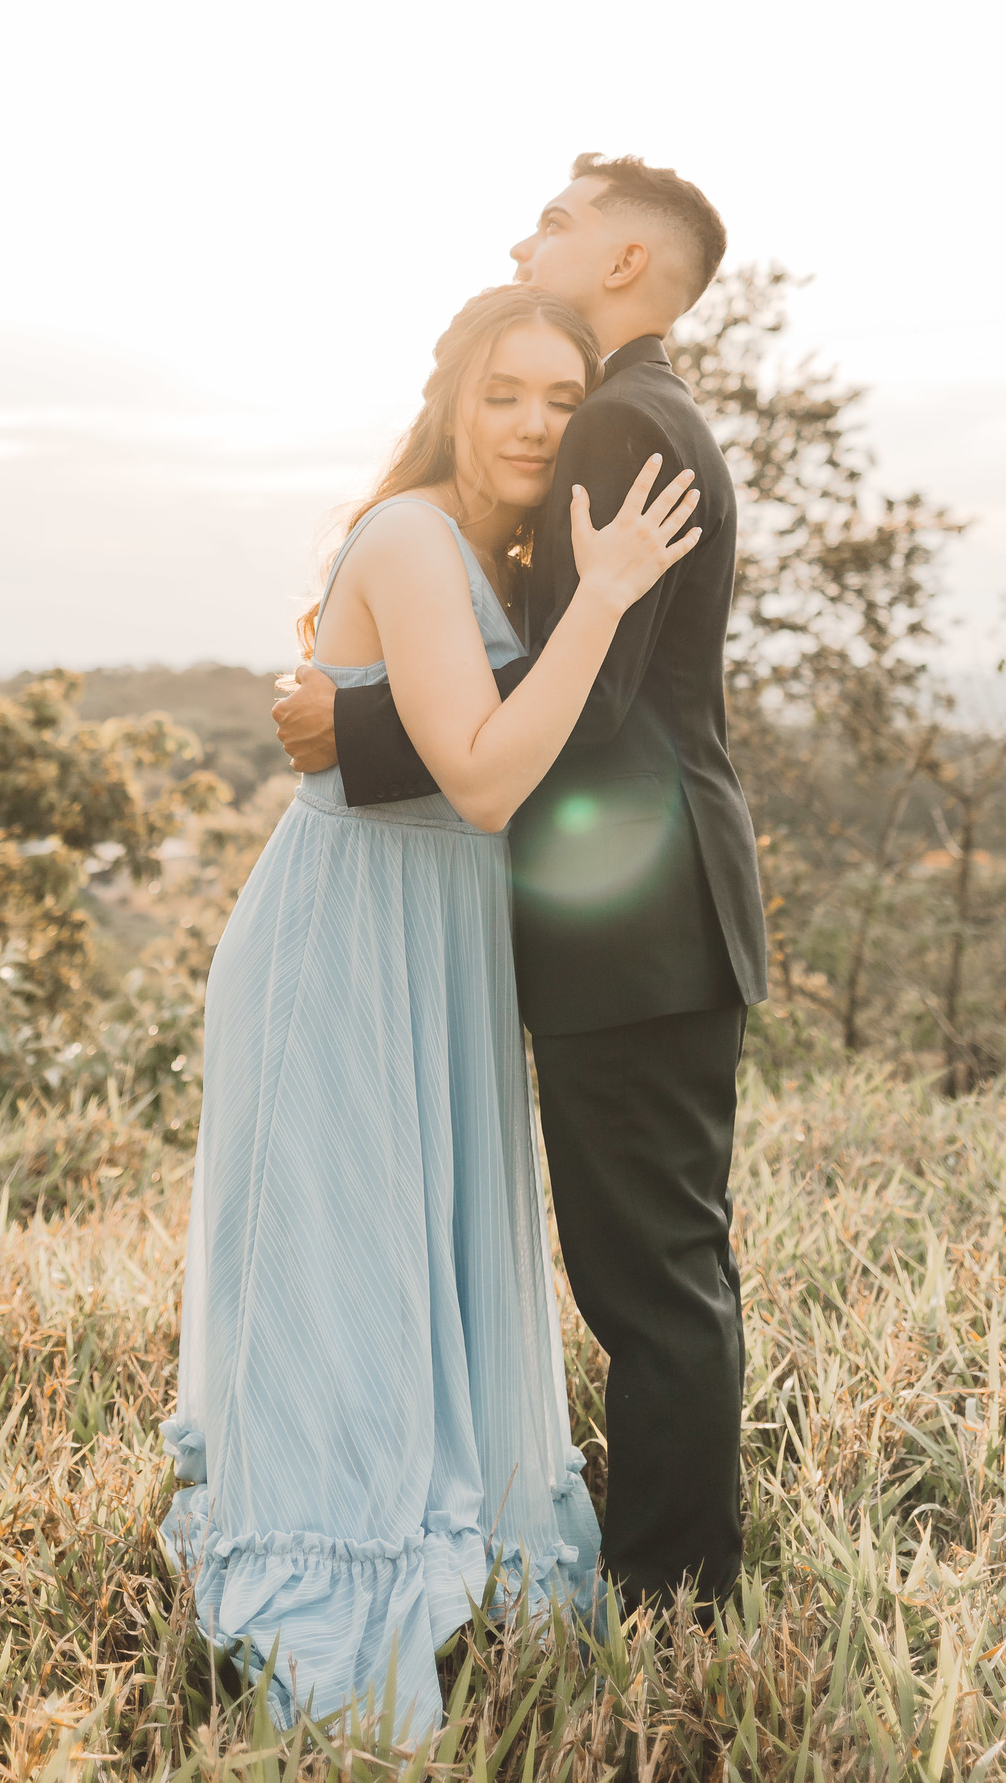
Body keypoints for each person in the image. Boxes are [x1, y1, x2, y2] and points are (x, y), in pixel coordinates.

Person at [160, 283, 701, 1732]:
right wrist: (604, 595)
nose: (532, 423)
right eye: (503, 393)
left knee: (434, 1248)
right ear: (453, 400)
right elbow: (483, 776)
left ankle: (452, 1540)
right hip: (343, 938)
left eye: (556, 399)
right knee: (346, 1267)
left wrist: (573, 595)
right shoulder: (408, 538)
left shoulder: (508, 551)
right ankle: (337, 1572)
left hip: (446, 939)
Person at [272, 155, 770, 1619]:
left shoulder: (620, 417)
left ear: (623, 262)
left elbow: (591, 690)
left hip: (638, 918)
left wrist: (351, 725)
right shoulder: (651, 410)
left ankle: (676, 1595)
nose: (525, 237)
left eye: (554, 221)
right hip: (661, 909)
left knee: (650, 1278)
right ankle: (682, 1568)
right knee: (664, 1264)